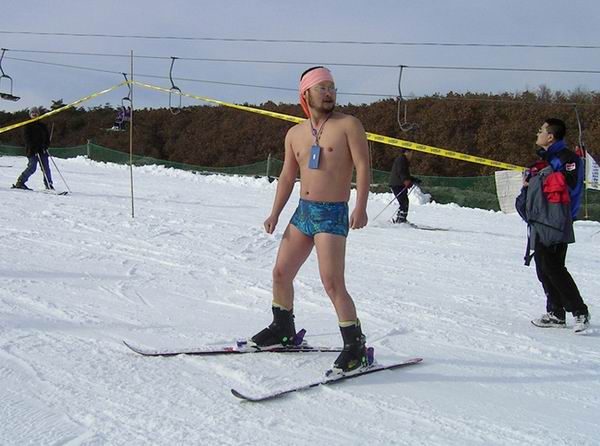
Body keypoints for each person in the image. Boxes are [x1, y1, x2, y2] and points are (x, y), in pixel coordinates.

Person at [250, 66, 371, 373]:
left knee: (332, 283)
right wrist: (275, 212)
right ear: (306, 94)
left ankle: (355, 348)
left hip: (332, 214)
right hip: (303, 212)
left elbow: (363, 166)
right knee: (280, 273)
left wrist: (361, 207)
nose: (329, 93)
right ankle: (283, 330)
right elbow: (287, 176)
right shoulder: (294, 134)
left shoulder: (349, 124)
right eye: (322, 88)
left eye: (332, 87)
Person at [518, 118, 590, 333]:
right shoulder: (547, 158)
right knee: (544, 267)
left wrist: (536, 179)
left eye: (541, 130)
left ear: (550, 136)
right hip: (542, 217)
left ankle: (580, 312)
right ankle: (556, 313)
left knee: (552, 266)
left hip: (557, 218)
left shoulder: (567, 158)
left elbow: (569, 185)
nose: (537, 133)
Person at [13, 107, 53, 190]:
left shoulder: (42, 126)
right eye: (33, 113)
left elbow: (47, 137)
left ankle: (49, 184)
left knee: (46, 168)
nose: (34, 114)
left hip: (42, 150)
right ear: (30, 114)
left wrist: (46, 145)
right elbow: (27, 138)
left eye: (36, 112)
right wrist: (34, 147)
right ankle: (20, 182)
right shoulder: (27, 125)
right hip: (32, 150)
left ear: (38, 114)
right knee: (32, 167)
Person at [388, 150, 413, 223]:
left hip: (399, 184)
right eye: (411, 153)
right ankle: (401, 220)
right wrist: (406, 181)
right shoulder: (401, 159)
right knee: (404, 202)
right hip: (397, 184)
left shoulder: (403, 160)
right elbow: (401, 171)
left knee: (404, 202)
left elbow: (404, 173)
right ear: (407, 152)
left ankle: (401, 218)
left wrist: (413, 179)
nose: (411, 155)